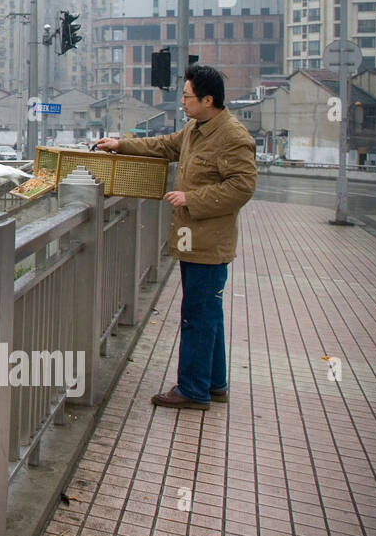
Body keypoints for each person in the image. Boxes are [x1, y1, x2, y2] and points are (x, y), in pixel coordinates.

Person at [94, 63, 256, 411]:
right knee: (206, 311)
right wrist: (120, 144)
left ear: (207, 99)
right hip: (191, 237)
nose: (182, 102)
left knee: (197, 314)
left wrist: (192, 198)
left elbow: (242, 187)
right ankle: (214, 383)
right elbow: (165, 146)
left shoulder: (232, 136)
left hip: (209, 242)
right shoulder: (197, 129)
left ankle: (193, 390)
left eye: (187, 96)